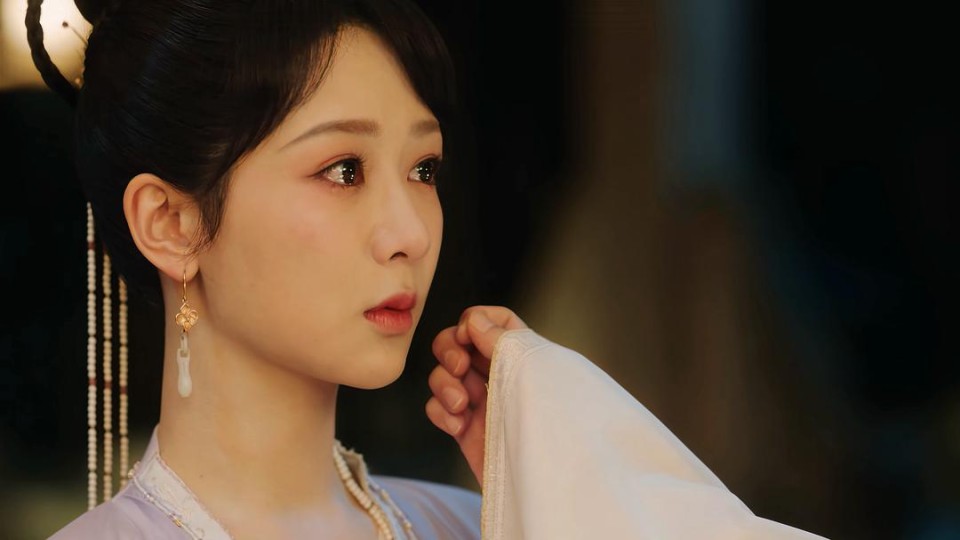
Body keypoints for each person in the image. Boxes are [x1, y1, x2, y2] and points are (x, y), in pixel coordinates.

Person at [26, 0, 830, 538]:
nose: (410, 232)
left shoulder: (477, 525)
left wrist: (559, 484)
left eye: (424, 170)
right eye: (343, 169)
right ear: (170, 224)